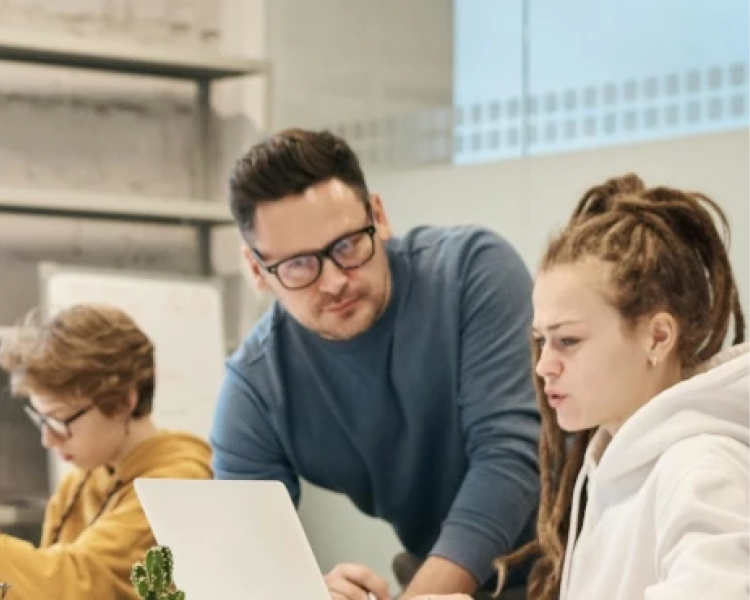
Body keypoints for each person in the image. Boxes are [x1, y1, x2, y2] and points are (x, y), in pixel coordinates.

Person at [210, 128, 541, 600]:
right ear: (256, 270)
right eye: (299, 265)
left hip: (583, 562)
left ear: (379, 217)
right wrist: (310, 593)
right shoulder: (258, 386)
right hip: (448, 582)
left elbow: (509, 455)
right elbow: (247, 557)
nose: (333, 282)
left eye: (347, 245)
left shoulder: (471, 272)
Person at [461, 173, 750, 600]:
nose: (544, 366)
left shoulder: (700, 470)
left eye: (568, 340)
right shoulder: (614, 468)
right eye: (540, 341)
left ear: (657, 337)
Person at [0, 304, 213, 600]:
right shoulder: (78, 483)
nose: (47, 439)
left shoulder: (177, 484)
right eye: (41, 420)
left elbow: (84, 583)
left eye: (60, 421)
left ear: (123, 402)